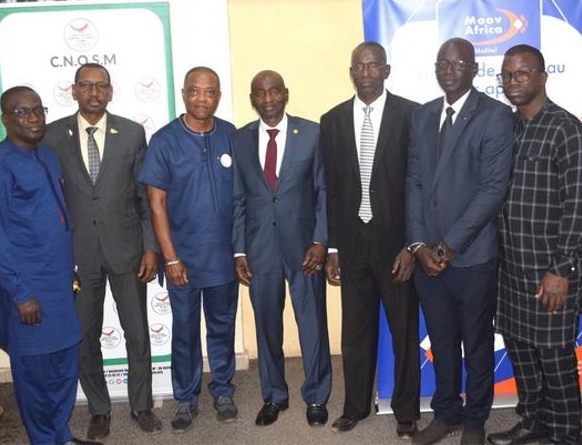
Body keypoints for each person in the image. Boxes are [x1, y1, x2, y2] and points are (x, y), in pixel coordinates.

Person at [487, 45, 582, 445]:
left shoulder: (567, 129)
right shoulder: (507, 127)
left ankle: (568, 434)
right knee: (521, 350)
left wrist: (561, 269)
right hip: (511, 265)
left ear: (542, 77)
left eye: (522, 73)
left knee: (555, 356)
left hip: (551, 269)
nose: (513, 81)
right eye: (506, 75)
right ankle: (533, 422)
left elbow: (578, 205)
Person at [0, 86, 98, 445]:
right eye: (23, 112)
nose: (34, 118)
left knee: (64, 365)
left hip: (59, 284)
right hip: (27, 289)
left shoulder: (48, 156)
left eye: (38, 110)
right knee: (36, 375)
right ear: (5, 119)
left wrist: (69, 267)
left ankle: (61, 436)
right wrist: (21, 294)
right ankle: (44, 440)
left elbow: (57, 219)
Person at [43, 63, 162, 441]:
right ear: (74, 90)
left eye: (101, 86)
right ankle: (99, 409)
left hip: (128, 251)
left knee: (137, 333)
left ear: (110, 92)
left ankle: (141, 405)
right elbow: (50, 202)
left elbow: (143, 196)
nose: (94, 93)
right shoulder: (52, 136)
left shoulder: (131, 133)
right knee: (85, 336)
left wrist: (150, 247)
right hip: (79, 256)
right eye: (86, 86)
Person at [406, 37, 513, 445]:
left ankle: (474, 421)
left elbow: (492, 190)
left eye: (457, 64)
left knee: (477, 344)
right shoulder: (423, 115)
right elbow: (414, 181)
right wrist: (418, 245)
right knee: (442, 341)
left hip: (472, 256)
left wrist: (447, 246)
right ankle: (446, 414)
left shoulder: (495, 116)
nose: (448, 71)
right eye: (442, 64)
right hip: (428, 259)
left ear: (473, 70)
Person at [320, 41, 421, 439]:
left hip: (396, 247)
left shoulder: (411, 115)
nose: (365, 73)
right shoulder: (332, 120)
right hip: (351, 245)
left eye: (373, 66)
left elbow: (418, 184)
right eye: (359, 67)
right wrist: (332, 247)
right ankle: (355, 407)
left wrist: (412, 245)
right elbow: (330, 189)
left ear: (386, 70)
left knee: (403, 333)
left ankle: (407, 412)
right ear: (351, 73)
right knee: (355, 334)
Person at [140, 67, 239, 433]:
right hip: (181, 259)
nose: (202, 98)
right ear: (184, 94)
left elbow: (242, 197)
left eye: (210, 91)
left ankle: (223, 390)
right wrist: (170, 257)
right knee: (184, 330)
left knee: (222, 327)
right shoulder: (164, 141)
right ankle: (185, 397)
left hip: (223, 257)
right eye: (195, 91)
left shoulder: (230, 135)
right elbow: (156, 202)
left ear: (218, 96)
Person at [232, 70, 332, 427]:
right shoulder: (239, 139)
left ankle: (317, 396)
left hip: (305, 247)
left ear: (285, 94)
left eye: (274, 91)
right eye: (260, 93)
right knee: (266, 325)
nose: (268, 99)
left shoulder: (312, 133)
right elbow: (238, 197)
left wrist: (321, 241)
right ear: (252, 99)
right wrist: (239, 251)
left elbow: (323, 191)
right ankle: (273, 395)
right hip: (260, 248)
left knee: (312, 322)